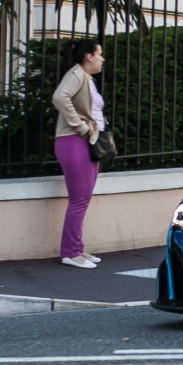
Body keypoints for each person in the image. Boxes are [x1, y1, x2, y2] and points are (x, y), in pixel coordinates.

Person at [51, 39, 107, 270]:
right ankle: (71, 253)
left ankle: (77, 248)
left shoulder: (87, 79)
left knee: (83, 200)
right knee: (79, 200)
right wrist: (82, 127)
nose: (103, 59)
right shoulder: (76, 75)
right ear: (89, 56)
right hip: (75, 142)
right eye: (100, 54)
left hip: (87, 143)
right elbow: (59, 98)